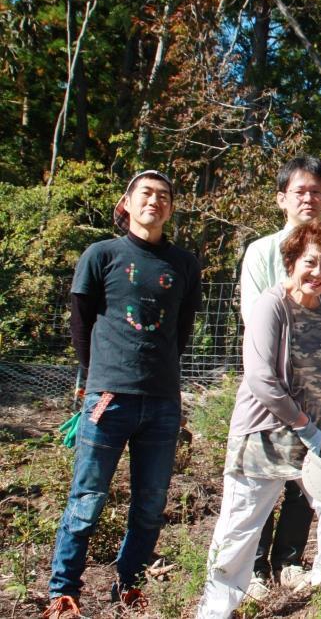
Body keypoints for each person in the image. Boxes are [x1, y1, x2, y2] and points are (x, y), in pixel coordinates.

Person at [44, 171, 202, 619]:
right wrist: (97, 377)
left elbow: (182, 329)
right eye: (147, 194)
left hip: (163, 402)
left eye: (165, 196)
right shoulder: (101, 255)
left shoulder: (185, 264)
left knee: (151, 504)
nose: (156, 202)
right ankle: (63, 591)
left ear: (171, 208)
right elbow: (81, 321)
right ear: (127, 202)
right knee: (87, 500)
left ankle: (128, 584)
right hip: (108, 399)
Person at [196, 220, 321, 618]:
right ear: (292, 261)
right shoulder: (272, 304)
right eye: (310, 262)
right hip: (266, 431)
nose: (318, 273)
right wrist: (304, 425)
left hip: (315, 434)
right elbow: (261, 377)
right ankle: (217, 607)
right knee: (242, 523)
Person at [238, 155, 321, 591]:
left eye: (316, 191)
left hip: (319, 381)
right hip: (271, 386)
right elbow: (256, 317)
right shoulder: (260, 251)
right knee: (262, 478)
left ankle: (289, 559)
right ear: (281, 198)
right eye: (299, 190)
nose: (308, 198)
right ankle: (251, 569)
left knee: (308, 480)